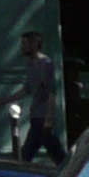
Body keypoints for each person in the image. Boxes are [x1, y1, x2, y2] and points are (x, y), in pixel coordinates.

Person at [18, 31, 65, 163]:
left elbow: (52, 92)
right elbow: (27, 89)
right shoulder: (31, 65)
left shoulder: (45, 64)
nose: (22, 47)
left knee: (27, 153)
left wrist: (48, 120)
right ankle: (69, 171)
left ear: (34, 44)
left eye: (24, 44)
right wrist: (3, 101)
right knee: (55, 152)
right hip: (36, 116)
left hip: (42, 117)